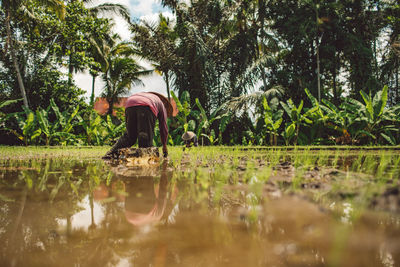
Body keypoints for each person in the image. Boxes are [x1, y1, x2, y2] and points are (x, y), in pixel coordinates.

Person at [103, 92, 177, 159]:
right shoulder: (161, 104)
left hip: (130, 103)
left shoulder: (148, 96)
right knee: (144, 137)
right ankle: (142, 162)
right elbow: (163, 127)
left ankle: (111, 153)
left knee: (129, 137)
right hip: (146, 106)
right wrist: (164, 146)